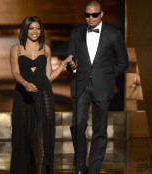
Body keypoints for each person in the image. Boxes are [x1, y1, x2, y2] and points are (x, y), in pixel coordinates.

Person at [68, 1, 129, 174]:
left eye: (94, 14)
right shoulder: (76, 33)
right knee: (77, 125)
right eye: (87, 15)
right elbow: (69, 60)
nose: (91, 18)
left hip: (103, 87)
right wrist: (71, 65)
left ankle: (94, 169)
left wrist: (106, 76)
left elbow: (123, 63)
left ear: (101, 14)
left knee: (99, 130)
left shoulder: (114, 35)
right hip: (81, 85)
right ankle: (80, 165)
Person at [9, 16, 72, 174]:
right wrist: (25, 84)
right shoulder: (16, 49)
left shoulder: (46, 49)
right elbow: (15, 72)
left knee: (42, 134)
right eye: (31, 28)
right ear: (25, 29)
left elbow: (48, 77)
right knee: (23, 135)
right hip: (23, 96)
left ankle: (41, 170)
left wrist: (63, 64)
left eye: (38, 28)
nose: (35, 31)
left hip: (44, 95)